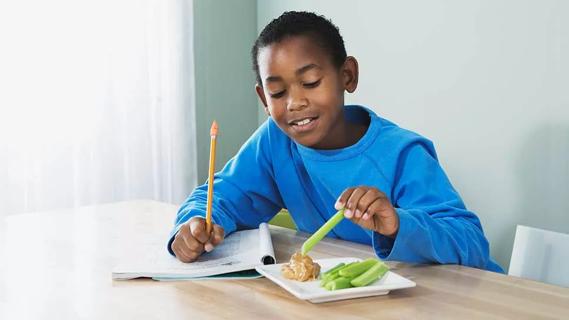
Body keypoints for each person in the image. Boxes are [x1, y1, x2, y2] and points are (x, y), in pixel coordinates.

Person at [167, 11, 503, 272]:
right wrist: (195, 226)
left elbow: (471, 243)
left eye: (311, 82)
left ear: (348, 76)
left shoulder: (402, 154)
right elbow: (221, 195)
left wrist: (397, 225)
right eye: (278, 92)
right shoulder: (274, 142)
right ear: (263, 100)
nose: (295, 103)